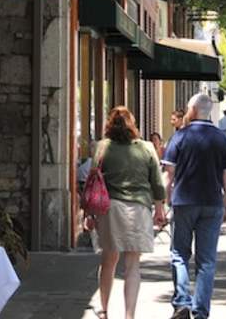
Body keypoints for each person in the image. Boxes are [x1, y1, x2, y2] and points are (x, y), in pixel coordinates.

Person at [162, 94, 226, 319]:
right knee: (206, 260)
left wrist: (166, 202)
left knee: (179, 254)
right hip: (212, 203)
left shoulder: (180, 137)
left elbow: (168, 174)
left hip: (184, 202)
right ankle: (201, 310)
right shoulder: (222, 139)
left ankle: (182, 302)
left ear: (192, 110)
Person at [90, 107, 167, 319]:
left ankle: (104, 310)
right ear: (133, 125)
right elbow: (157, 182)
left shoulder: (102, 147)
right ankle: (129, 315)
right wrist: (159, 207)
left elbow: (93, 181)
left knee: (108, 260)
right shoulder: (147, 148)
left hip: (110, 209)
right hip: (139, 209)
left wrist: (89, 213)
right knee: (133, 264)